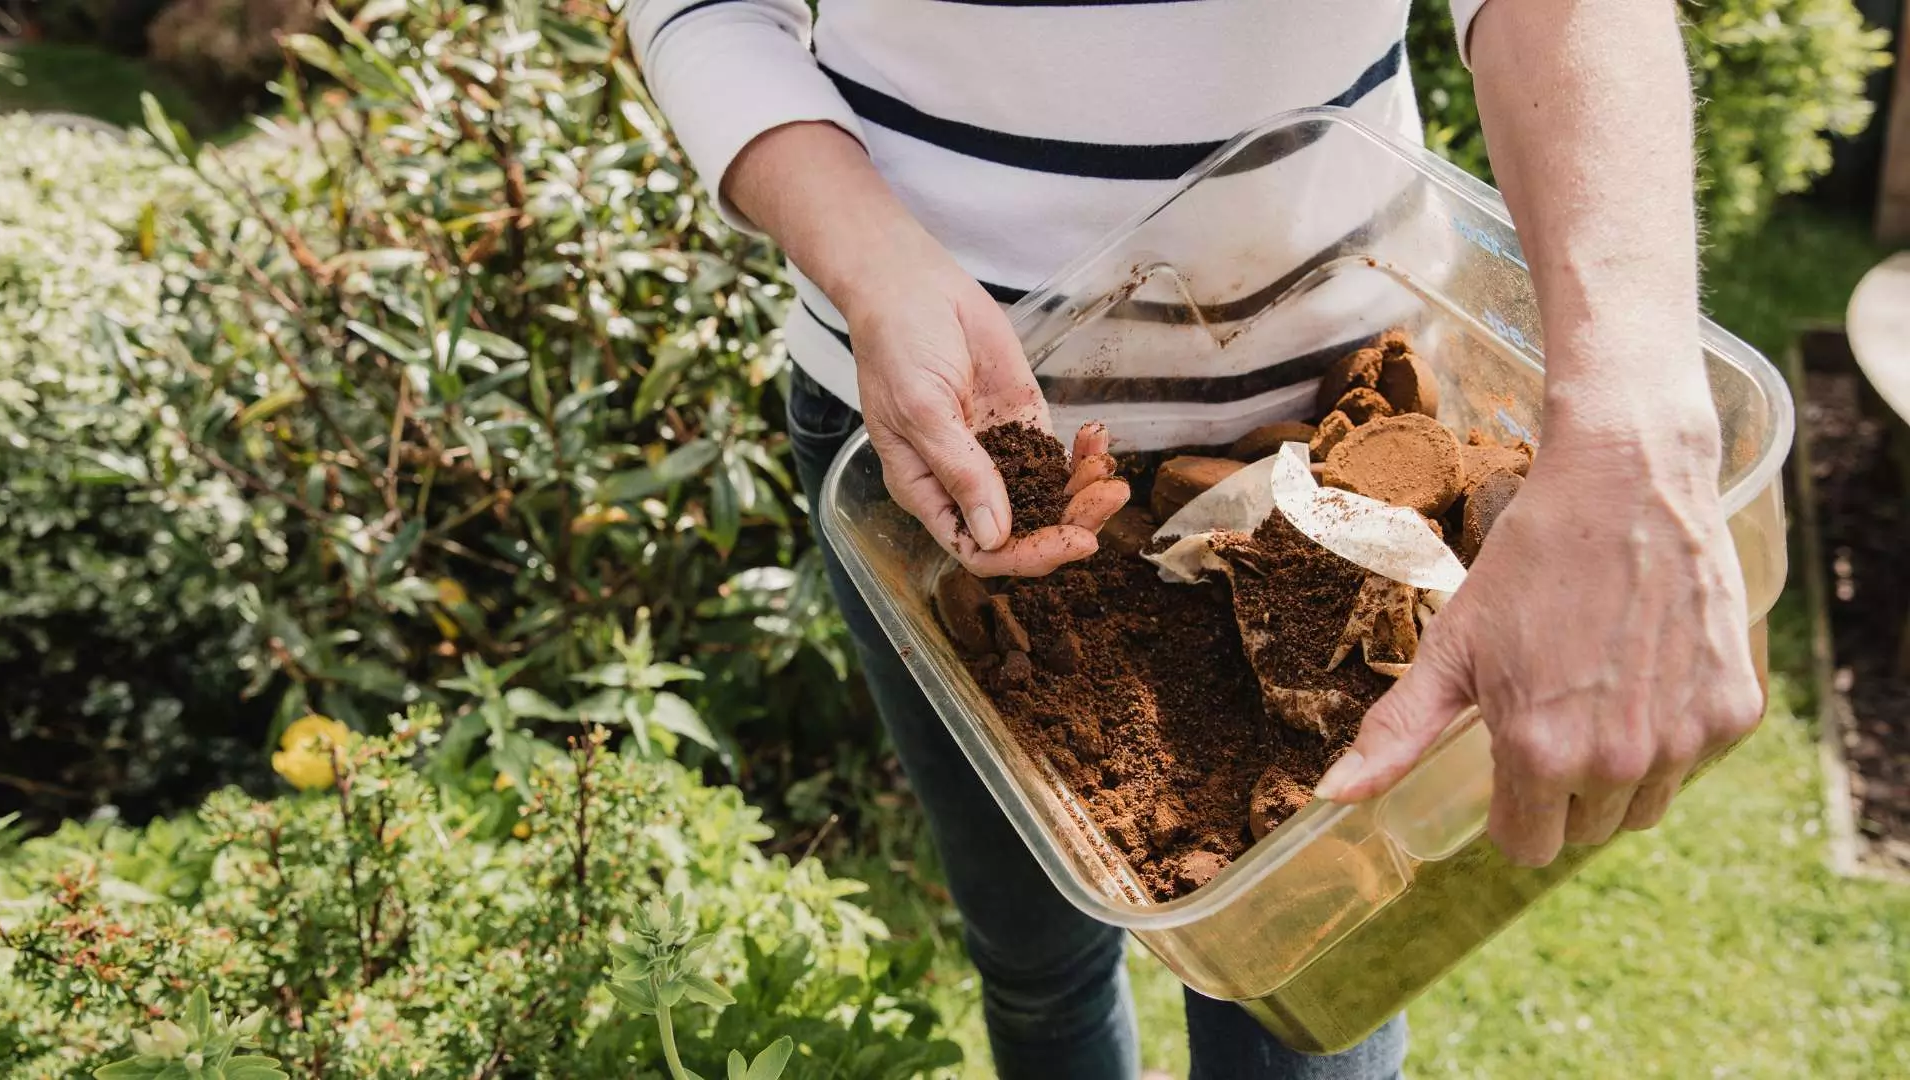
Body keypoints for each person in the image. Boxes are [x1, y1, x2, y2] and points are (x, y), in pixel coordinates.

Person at [628, 1, 1765, 1077]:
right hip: (944, 458)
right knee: (1037, 965)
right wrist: (876, 267)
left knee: (1308, 1018)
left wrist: (1631, 431)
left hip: (1342, 444)